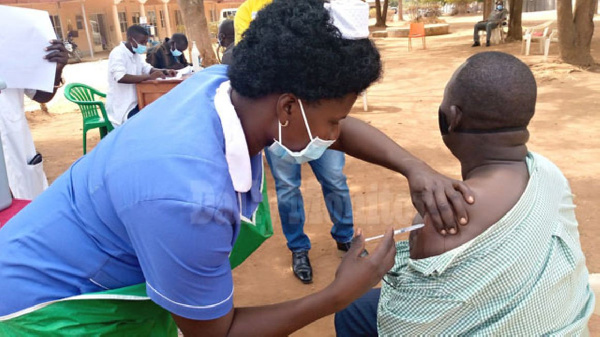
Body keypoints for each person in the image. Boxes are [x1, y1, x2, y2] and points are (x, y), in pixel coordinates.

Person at [0, 0, 474, 335]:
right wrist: (337, 296)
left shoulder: (232, 84)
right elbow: (215, 334)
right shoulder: (187, 197)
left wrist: (414, 167)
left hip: (111, 278)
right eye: (333, 120)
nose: (335, 134)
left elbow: (330, 125)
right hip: (46, 314)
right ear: (288, 108)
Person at [335, 52, 595, 336]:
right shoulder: (548, 172)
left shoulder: (446, 217)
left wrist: (415, 248)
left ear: (453, 118)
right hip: (560, 323)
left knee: (352, 308)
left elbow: (405, 327)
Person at [236, 0, 363, 285]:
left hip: (319, 112)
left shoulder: (320, 7)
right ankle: (299, 249)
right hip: (281, 117)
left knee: (334, 179)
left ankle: (345, 237)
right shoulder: (250, 11)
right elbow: (246, 59)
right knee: (288, 188)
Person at [0, 40, 68, 200]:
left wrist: (56, 70)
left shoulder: (10, 51)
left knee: (25, 208)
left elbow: (41, 95)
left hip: (17, 149)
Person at [106, 25, 176, 127]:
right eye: (142, 42)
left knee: (160, 117)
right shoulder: (117, 53)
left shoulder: (136, 55)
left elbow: (148, 68)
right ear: (131, 39)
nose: (144, 45)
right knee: (146, 125)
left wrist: (165, 71)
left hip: (137, 102)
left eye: (146, 42)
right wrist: (149, 77)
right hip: (122, 107)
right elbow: (121, 77)